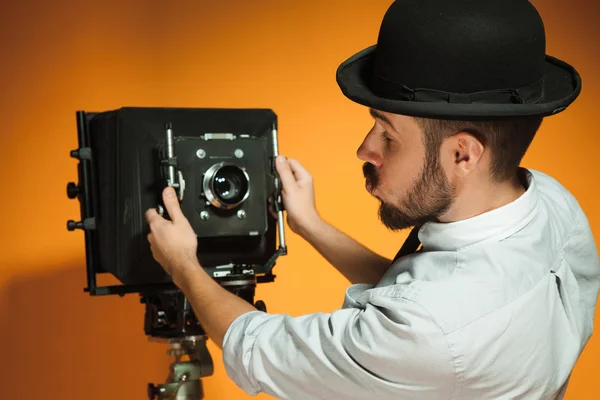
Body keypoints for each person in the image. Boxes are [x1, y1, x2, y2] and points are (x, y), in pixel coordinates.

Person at [144, 0, 600, 398]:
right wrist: (312, 226)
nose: (366, 149)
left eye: (388, 133)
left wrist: (184, 264)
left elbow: (256, 346)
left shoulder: (430, 333)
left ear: (463, 153)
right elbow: (430, 296)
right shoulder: (556, 208)